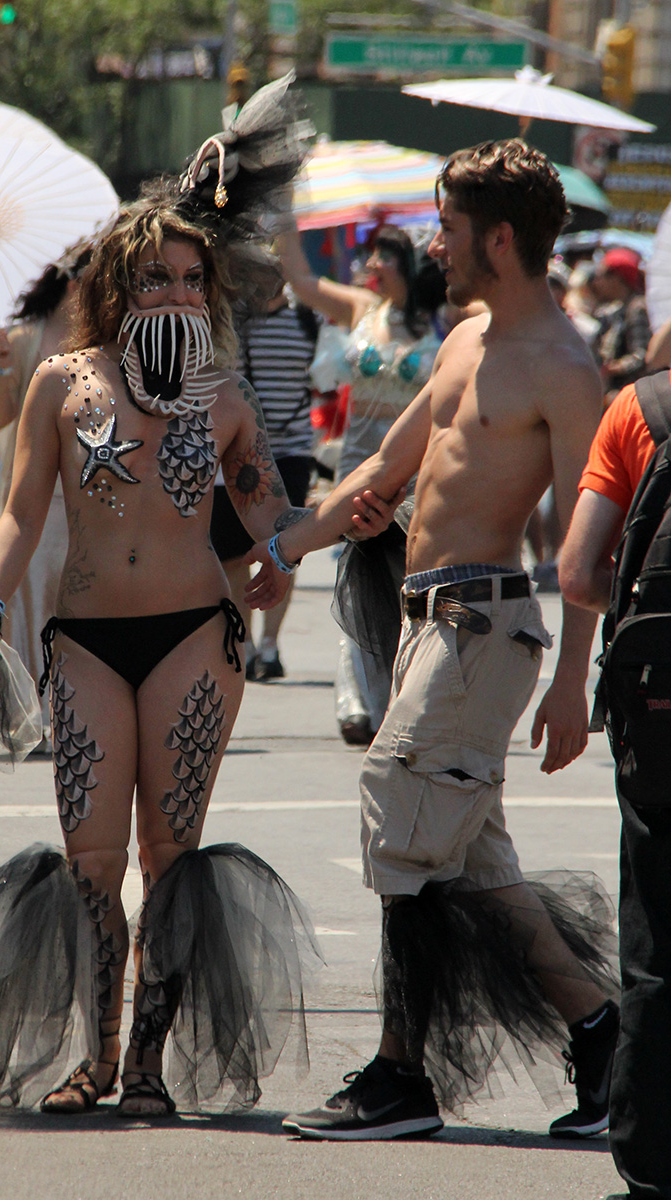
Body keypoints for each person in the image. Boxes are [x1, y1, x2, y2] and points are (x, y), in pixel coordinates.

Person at [0, 75, 361, 1116]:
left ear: (208, 289)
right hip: (85, 642)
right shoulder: (62, 382)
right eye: (154, 279)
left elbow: (267, 520)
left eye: (190, 279)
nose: (175, 294)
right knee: (90, 857)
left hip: (195, 640)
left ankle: (145, 1066)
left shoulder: (225, 398)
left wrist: (314, 533)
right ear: (119, 286)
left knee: (168, 856)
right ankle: (93, 1058)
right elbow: (17, 519)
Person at [249, 139, 619, 1142]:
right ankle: (605, 1040)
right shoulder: (464, 338)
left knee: (400, 816)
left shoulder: (563, 367)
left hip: (481, 628)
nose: (432, 245)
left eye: (447, 227)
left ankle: (401, 1076)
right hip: (424, 624)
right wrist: (282, 548)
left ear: (498, 239)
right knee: (475, 869)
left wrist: (574, 683)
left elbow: (587, 541)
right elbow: (382, 471)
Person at [560, 371, 671, 1200]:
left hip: (661, 710)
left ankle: (651, 1168)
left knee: (657, 946)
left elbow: (576, 571)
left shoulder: (642, 408)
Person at [277, 223, 443, 745]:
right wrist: (284, 219)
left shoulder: (445, 320)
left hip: (415, 471)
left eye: (382, 257)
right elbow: (302, 281)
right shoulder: (360, 308)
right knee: (355, 573)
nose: (371, 266)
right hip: (357, 464)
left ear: (409, 265)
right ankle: (356, 703)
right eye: (370, 256)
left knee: (407, 583)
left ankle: (402, 697)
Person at [0, 244, 90, 737]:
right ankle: (31, 710)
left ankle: (76, 706)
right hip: (34, 492)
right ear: (70, 281)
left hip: (85, 496)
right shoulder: (22, 339)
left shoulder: (108, 338)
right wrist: (2, 366)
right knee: (29, 602)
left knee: (75, 603)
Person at [209, 266, 319, 681]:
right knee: (233, 555)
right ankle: (247, 643)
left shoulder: (306, 320)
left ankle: (270, 645)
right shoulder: (233, 320)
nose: (264, 277)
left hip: (291, 450)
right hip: (238, 452)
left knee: (287, 547)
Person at [593, 248, 651, 404]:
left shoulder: (637, 309)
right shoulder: (619, 308)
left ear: (618, 278)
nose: (597, 282)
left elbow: (643, 356)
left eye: (602, 275)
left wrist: (614, 368)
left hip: (631, 396)